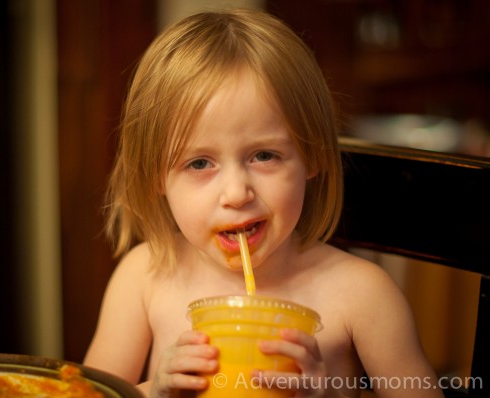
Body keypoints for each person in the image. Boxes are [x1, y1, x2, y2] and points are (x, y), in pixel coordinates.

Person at [84, 8, 441, 398]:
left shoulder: (363, 296)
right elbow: (88, 395)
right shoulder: (144, 278)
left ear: (313, 155)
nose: (237, 193)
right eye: (199, 163)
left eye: (264, 156)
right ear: (156, 177)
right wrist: (153, 391)